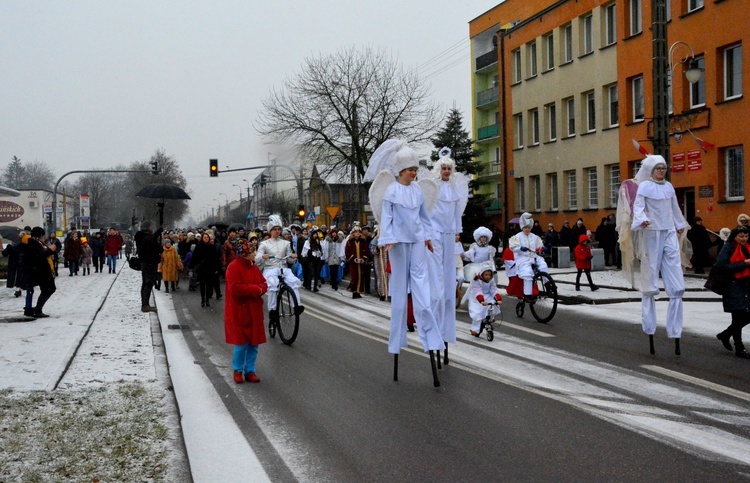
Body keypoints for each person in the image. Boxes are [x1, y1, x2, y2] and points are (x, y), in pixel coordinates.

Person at [366, 139, 444, 383]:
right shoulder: (391, 191)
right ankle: (397, 339)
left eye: (416, 169)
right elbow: (386, 219)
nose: (415, 172)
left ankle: (429, 336)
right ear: (401, 170)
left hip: (418, 241)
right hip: (398, 243)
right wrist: (387, 238)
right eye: (411, 169)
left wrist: (429, 237)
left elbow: (424, 217)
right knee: (400, 293)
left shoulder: (418, 191)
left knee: (422, 290)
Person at [630, 155, 688, 355]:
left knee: (675, 276)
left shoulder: (669, 187)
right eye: (659, 168)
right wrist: (643, 219)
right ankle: (650, 326)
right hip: (652, 232)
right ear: (651, 170)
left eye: (664, 168)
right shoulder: (645, 187)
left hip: (669, 231)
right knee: (651, 274)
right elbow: (638, 207)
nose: (662, 171)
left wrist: (679, 224)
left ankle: (675, 329)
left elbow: (674, 208)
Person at [427, 149, 469, 357]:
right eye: (443, 168)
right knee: (436, 270)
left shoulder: (454, 190)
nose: (445, 171)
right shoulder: (433, 188)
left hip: (449, 232)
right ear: (438, 170)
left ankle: (447, 296)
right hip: (435, 232)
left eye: (448, 168)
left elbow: (456, 213)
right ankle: (436, 293)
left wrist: (458, 231)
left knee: (449, 270)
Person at [224, 239, 268, 383]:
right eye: (252, 251)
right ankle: (237, 370)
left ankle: (250, 370)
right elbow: (235, 289)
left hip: (254, 309)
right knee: (241, 343)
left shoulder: (253, 267)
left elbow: (263, 282)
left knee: (253, 343)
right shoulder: (233, 267)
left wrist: (260, 288)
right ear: (244, 253)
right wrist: (255, 289)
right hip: (240, 310)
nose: (255, 254)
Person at [255, 215, 304, 320]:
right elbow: (257, 258)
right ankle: (273, 310)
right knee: (273, 284)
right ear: (270, 231)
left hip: (284, 268)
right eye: (274, 229)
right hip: (270, 268)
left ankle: (296, 306)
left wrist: (293, 257)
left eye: (279, 229)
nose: (277, 231)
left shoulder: (286, 243)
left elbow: (289, 259)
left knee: (293, 281)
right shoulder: (264, 244)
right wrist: (263, 256)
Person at [715, 226, 750, 359]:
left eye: (746, 236)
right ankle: (739, 347)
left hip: (746, 285)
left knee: (742, 316)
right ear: (734, 236)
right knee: (739, 316)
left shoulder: (747, 247)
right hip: (733, 285)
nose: (744, 239)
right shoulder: (728, 247)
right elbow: (721, 266)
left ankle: (725, 335)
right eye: (741, 236)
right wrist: (744, 264)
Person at [509, 212, 548, 300]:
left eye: (529, 228)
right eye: (525, 228)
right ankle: (528, 295)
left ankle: (548, 284)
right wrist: (520, 248)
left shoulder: (534, 237)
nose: (527, 229)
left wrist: (542, 248)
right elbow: (513, 248)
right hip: (523, 259)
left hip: (534, 257)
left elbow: (539, 246)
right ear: (522, 228)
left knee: (543, 266)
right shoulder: (517, 237)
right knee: (528, 274)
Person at [25, 227, 57, 318]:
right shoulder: (34, 244)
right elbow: (39, 257)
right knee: (50, 288)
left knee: (48, 289)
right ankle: (38, 309)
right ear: (40, 235)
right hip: (41, 271)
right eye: (42, 235)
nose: (43, 237)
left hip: (43, 270)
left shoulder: (37, 243)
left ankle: (38, 308)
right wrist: (50, 250)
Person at [467, 262, 503, 337]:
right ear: (482, 274)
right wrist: (481, 301)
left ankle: (491, 318)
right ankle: (475, 329)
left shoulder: (491, 280)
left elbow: (494, 289)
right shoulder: (477, 280)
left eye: (489, 275)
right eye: (486, 275)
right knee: (478, 312)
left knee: (493, 304)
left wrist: (498, 298)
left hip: (487, 295)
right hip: (477, 297)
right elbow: (477, 291)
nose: (488, 277)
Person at [134, 220, 162, 313]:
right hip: (150, 263)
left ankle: (144, 304)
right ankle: (145, 305)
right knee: (148, 284)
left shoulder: (140, 237)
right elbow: (159, 248)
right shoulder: (148, 238)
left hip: (145, 263)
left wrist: (158, 232)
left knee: (145, 283)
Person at [190, 233, 221, 307]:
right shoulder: (199, 246)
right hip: (201, 268)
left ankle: (207, 300)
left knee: (209, 285)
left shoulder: (212, 247)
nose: (206, 238)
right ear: (202, 238)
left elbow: (215, 259)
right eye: (204, 237)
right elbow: (194, 257)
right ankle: (202, 300)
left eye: (207, 237)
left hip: (210, 268)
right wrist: (191, 266)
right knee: (202, 285)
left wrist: (217, 268)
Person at [345, 226, 371, 299]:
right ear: (353, 233)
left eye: (359, 232)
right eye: (356, 232)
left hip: (361, 264)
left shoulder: (363, 242)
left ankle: (358, 292)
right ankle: (354, 291)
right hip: (353, 264)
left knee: (361, 277)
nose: (357, 234)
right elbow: (347, 252)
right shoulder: (349, 242)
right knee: (354, 277)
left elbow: (366, 252)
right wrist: (353, 258)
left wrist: (363, 259)